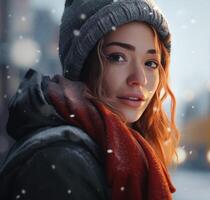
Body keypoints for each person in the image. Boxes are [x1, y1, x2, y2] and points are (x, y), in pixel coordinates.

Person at [0, 0, 179, 199]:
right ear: (84, 66)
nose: (140, 79)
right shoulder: (62, 162)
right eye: (118, 57)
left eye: (151, 63)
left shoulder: (112, 151)